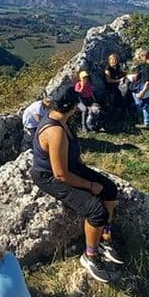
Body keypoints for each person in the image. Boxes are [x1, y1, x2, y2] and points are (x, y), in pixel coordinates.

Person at [30, 85, 122, 283]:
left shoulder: (61, 121)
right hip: (50, 177)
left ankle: (104, 236)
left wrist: (90, 176)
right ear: (73, 106)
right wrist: (90, 185)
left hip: (70, 168)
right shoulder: (55, 131)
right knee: (96, 211)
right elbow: (61, 175)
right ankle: (90, 256)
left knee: (110, 189)